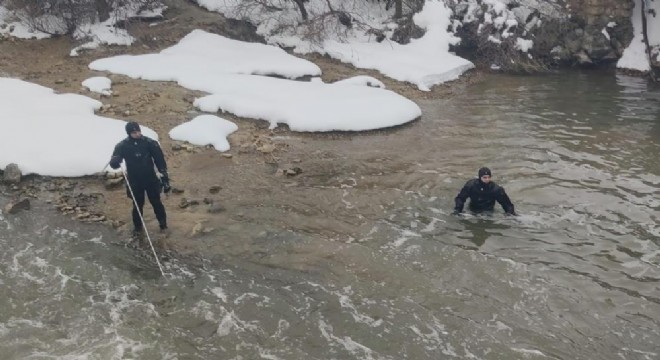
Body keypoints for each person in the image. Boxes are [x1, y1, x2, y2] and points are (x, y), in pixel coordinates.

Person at [109, 122, 171, 237]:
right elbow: (115, 164)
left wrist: (165, 179)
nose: (137, 134)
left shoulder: (150, 143)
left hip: (150, 178)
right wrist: (114, 161)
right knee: (137, 204)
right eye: (134, 132)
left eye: (138, 131)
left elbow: (160, 162)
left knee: (156, 202)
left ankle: (163, 226)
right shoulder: (122, 146)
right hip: (134, 180)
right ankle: (138, 229)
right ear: (129, 133)